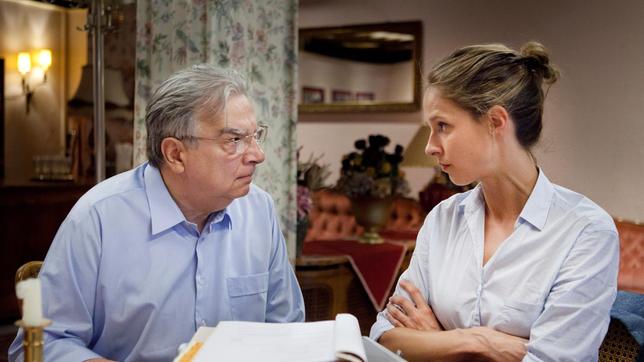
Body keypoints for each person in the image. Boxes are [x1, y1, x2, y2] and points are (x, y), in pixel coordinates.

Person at [9, 65, 305, 362]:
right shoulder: (98, 218)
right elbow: (42, 344)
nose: (258, 155)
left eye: (256, 136)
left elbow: (286, 325)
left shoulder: (258, 209)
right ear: (175, 154)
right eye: (234, 140)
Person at [370, 42, 619, 361]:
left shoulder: (586, 233)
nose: (431, 147)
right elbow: (385, 336)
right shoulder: (443, 219)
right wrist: (474, 342)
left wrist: (435, 343)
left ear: (496, 122)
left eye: (442, 126)